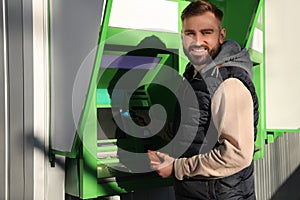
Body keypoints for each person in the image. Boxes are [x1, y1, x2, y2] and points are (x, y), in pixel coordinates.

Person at [148, 0, 259, 199]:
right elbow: (197, 132)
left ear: (221, 35)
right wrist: (157, 126)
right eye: (190, 33)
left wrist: (176, 167)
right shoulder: (195, 77)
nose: (197, 42)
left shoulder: (228, 83)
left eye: (206, 32)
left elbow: (236, 155)